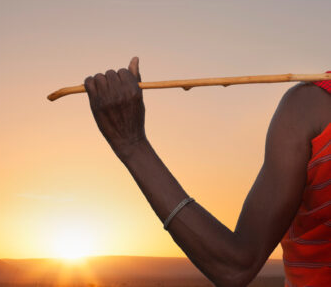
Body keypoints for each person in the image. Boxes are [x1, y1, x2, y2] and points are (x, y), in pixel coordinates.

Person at [83, 57, 331, 287]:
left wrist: (132, 145)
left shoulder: (309, 107)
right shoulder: (311, 108)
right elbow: (237, 265)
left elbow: (235, 267)